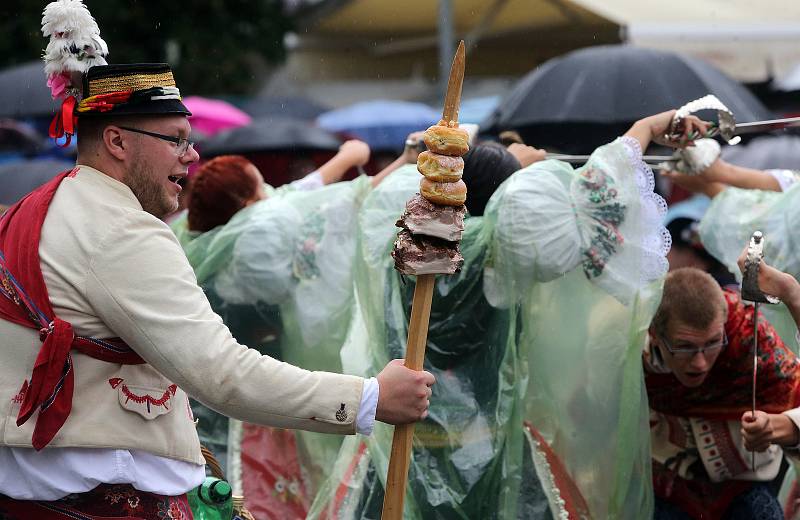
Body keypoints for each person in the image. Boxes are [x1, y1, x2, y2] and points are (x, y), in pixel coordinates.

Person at [0, 61, 434, 519]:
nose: (191, 156)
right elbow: (221, 372)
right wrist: (370, 398)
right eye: (176, 139)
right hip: (103, 499)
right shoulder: (121, 230)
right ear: (117, 141)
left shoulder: (30, 211)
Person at [307, 110, 699, 518]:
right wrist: (650, 127)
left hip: (403, 442)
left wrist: (500, 167)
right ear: (511, 206)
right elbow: (599, 187)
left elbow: (432, 192)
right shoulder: (502, 256)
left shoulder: (403, 236)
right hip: (489, 446)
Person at [646, 263, 800, 519]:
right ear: (655, 336)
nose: (700, 362)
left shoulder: (748, 340)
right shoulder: (629, 350)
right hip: (667, 486)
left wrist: (781, 426)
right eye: (685, 346)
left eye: (712, 344)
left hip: (748, 485)